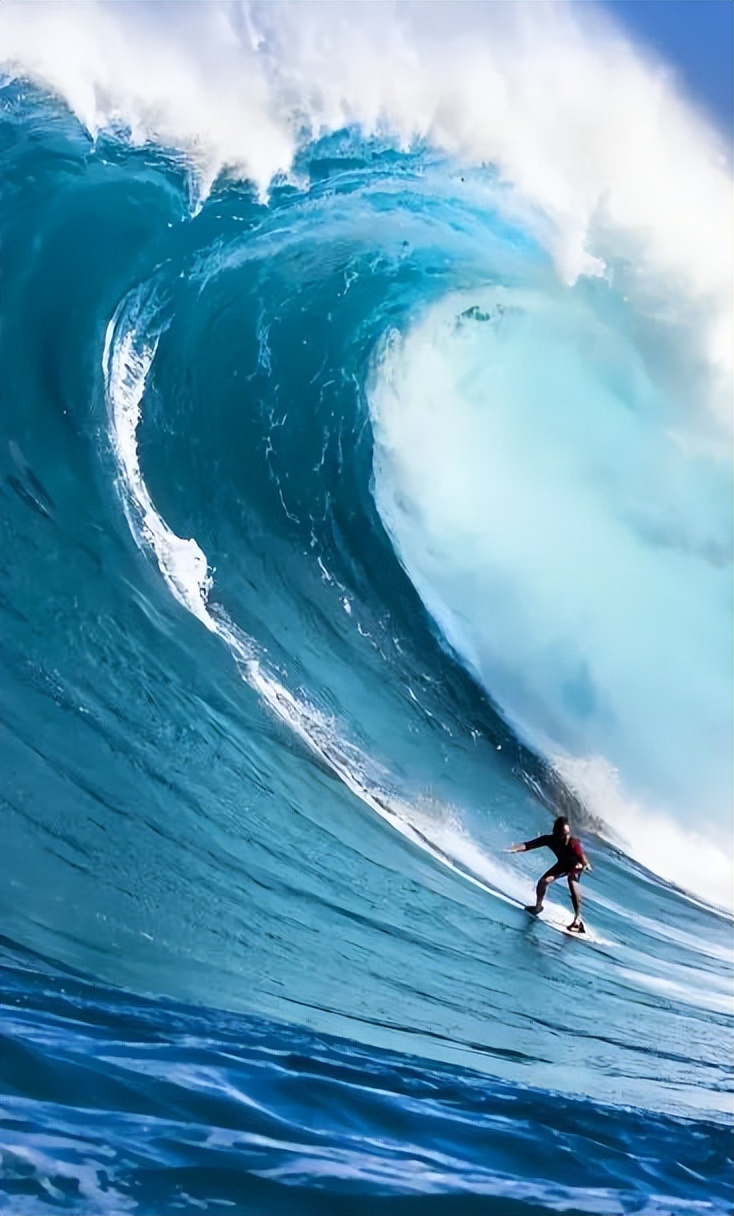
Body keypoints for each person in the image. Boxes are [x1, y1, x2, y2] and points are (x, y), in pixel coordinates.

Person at [507, 816, 592, 932]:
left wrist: (584, 865)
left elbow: (582, 856)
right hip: (562, 865)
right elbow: (528, 845)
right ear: (556, 833)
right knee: (543, 882)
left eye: (567, 834)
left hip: (575, 866)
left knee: (572, 882)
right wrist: (513, 849)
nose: (566, 837)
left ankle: (577, 920)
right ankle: (538, 907)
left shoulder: (572, 842)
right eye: (563, 834)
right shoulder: (550, 839)